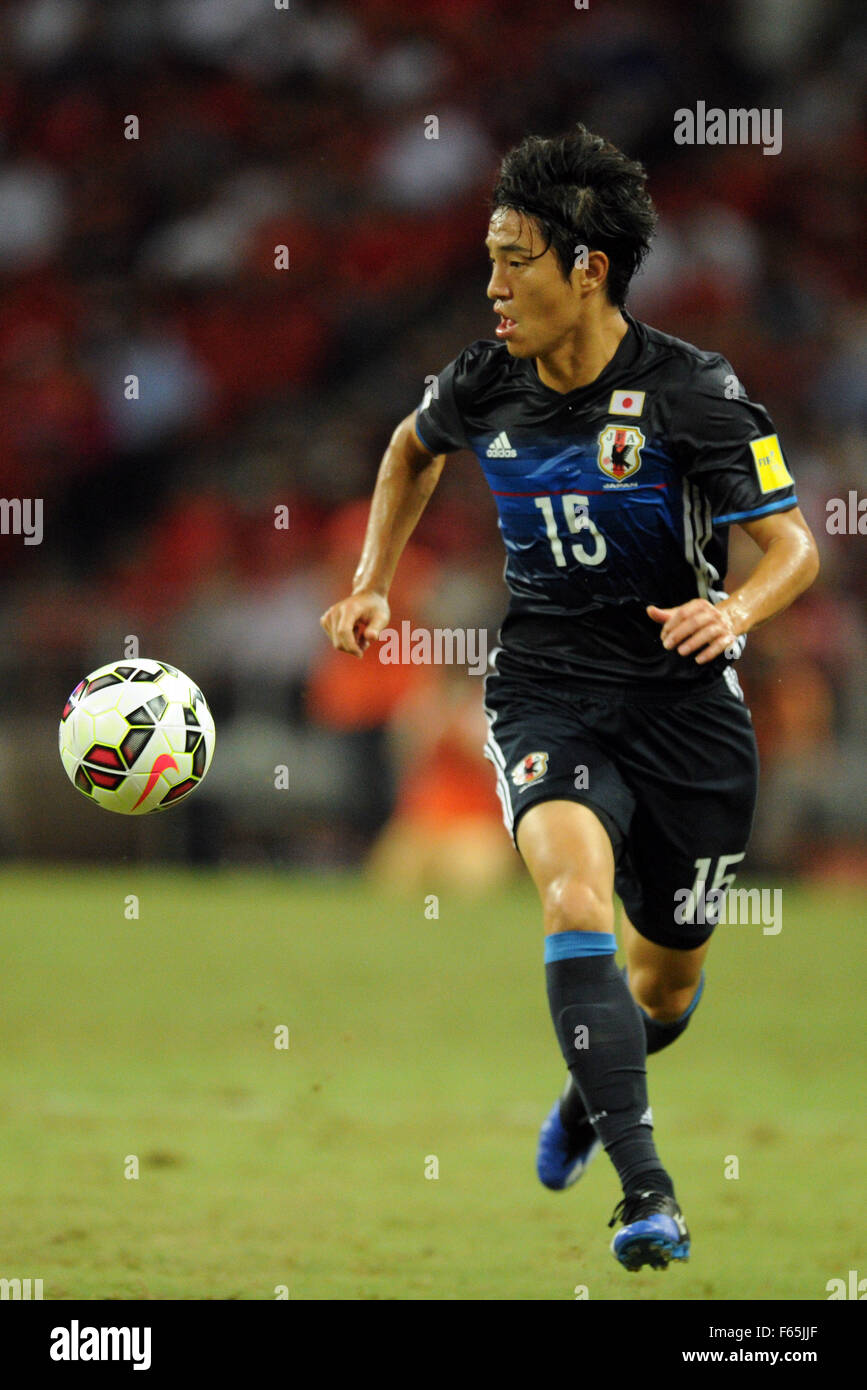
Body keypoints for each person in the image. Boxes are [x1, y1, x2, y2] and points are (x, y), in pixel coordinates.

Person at [320, 124, 819, 1272]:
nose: (491, 287)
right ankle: (648, 1192)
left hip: (685, 709)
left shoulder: (693, 391)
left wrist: (736, 613)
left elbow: (793, 546)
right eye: (488, 259)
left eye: (513, 259)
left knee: (671, 983)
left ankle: (591, 1098)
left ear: (584, 266)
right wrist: (370, 585)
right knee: (572, 896)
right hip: (546, 691)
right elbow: (410, 450)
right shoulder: (483, 379)